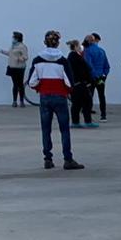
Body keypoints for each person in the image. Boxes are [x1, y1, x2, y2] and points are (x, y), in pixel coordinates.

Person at [26, 30, 84, 170]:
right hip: (60, 97)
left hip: (45, 97)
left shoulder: (37, 60)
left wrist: (42, 87)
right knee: (64, 129)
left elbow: (31, 82)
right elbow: (70, 83)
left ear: (44, 42)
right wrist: (65, 90)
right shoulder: (63, 61)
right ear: (58, 43)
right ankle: (68, 159)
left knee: (46, 129)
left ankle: (48, 158)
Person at [66, 39, 97, 128]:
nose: (80, 48)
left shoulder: (72, 56)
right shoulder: (75, 57)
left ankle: (76, 121)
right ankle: (87, 121)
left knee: (77, 103)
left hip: (76, 83)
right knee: (86, 102)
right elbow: (83, 70)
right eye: (79, 46)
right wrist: (88, 80)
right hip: (79, 83)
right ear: (75, 47)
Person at [0, 32, 29, 107]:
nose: (13, 39)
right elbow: (10, 54)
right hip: (12, 67)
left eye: (14, 37)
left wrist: (18, 58)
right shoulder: (13, 46)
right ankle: (14, 101)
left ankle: (21, 101)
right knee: (15, 84)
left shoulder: (22, 46)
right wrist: (2, 51)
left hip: (19, 68)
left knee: (20, 84)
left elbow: (25, 57)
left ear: (17, 38)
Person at [83, 32, 110, 121]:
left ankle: (88, 115)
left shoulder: (87, 51)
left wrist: (94, 75)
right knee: (102, 96)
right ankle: (103, 115)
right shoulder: (102, 51)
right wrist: (104, 75)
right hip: (101, 78)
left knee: (89, 96)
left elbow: (89, 65)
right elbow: (107, 66)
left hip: (92, 78)